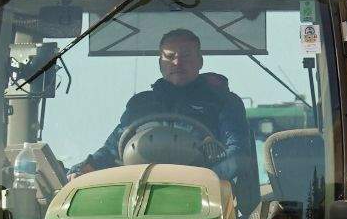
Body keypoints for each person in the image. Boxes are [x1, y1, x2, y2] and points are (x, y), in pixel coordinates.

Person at [71, 28, 250, 183]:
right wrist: (86, 168)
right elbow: (113, 148)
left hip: (204, 194)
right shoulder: (141, 104)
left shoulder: (223, 102)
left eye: (186, 56)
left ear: (200, 61)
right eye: (170, 57)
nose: (177, 63)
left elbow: (237, 154)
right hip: (137, 189)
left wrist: (206, 179)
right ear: (160, 63)